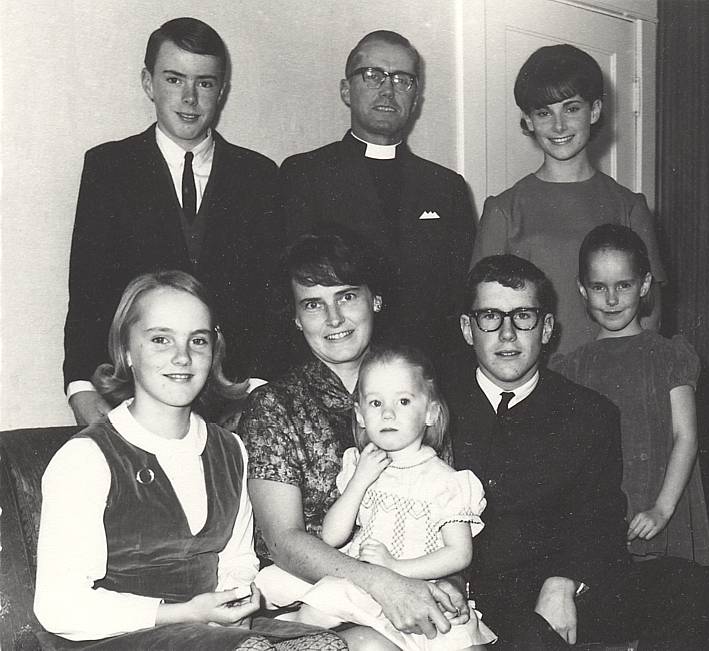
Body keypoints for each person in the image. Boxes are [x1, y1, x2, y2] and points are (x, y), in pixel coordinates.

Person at [35, 271, 345, 650]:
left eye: (198, 340)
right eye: (161, 339)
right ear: (127, 351)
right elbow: (57, 608)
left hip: (209, 633)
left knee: (349, 644)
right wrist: (187, 613)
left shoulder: (230, 449)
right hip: (118, 638)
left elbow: (238, 558)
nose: (182, 357)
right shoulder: (86, 458)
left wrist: (233, 597)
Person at [442, 254, 709, 648]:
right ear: (468, 329)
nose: (507, 334)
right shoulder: (435, 408)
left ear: (547, 327)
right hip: (472, 593)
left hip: (562, 587)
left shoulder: (588, 411)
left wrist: (563, 582)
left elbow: (600, 518)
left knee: (684, 585)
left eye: (524, 317)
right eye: (490, 317)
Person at [229, 233, 470, 650]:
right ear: (295, 318)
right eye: (312, 304)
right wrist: (385, 584)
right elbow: (283, 542)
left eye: (347, 296)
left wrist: (448, 581)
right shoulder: (274, 405)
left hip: (406, 587)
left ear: (375, 300)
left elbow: (444, 515)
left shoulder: (417, 392)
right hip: (304, 604)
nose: (334, 318)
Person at [64, 17, 283, 426]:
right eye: (174, 79)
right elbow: (87, 286)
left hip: (235, 400)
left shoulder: (259, 175)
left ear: (222, 91)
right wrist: (80, 386)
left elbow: (269, 298)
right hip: (131, 392)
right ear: (148, 83)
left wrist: (258, 390)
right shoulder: (108, 167)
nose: (189, 98)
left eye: (204, 83)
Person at [254, 345, 496, 650]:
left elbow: (460, 554)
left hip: (419, 585)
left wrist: (395, 569)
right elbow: (332, 536)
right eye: (376, 402)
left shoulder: (447, 481)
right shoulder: (359, 464)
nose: (388, 413)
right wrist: (359, 481)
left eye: (404, 401)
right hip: (363, 582)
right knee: (318, 607)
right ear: (361, 414)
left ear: (431, 413)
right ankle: (282, 633)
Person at [280, 30, 475, 361]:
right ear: (346, 90)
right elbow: (288, 291)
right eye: (373, 75)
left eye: (402, 79)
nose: (388, 89)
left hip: (424, 370)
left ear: (415, 98)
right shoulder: (304, 174)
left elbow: (459, 295)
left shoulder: (446, 187)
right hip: (333, 365)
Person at [471, 43, 665, 354]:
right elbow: (485, 316)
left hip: (612, 381)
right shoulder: (503, 210)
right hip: (535, 385)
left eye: (571, 108)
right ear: (529, 120)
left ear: (595, 111)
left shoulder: (629, 207)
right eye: (544, 112)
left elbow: (651, 317)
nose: (558, 125)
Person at [550, 224, 709, 565]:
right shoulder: (571, 368)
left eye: (623, 285)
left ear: (645, 285)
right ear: (582, 289)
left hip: (661, 514)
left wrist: (661, 510)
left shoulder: (669, 356)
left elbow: (686, 436)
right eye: (599, 287)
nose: (611, 299)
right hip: (600, 526)